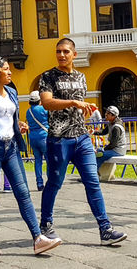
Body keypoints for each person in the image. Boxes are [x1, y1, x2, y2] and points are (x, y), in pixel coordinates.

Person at [0, 56, 62, 256]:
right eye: (6, 69)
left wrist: (19, 125)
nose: (10, 72)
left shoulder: (11, 92)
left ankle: (38, 239)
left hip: (10, 148)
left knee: (23, 193)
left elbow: (8, 117)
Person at [39, 38, 127, 246]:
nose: (61, 55)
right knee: (54, 183)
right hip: (59, 139)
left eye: (66, 51)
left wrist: (86, 109)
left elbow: (78, 109)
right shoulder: (48, 76)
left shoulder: (81, 77)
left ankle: (105, 229)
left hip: (82, 138)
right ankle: (45, 225)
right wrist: (74, 102)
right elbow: (47, 103)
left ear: (74, 54)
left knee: (93, 182)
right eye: (58, 51)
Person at [26, 90, 48, 191]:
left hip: (33, 137)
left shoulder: (28, 111)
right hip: (44, 136)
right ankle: (50, 182)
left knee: (37, 161)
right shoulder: (43, 109)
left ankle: (39, 183)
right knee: (49, 160)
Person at [91, 106, 127, 171]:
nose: (105, 115)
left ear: (113, 115)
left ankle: (92, 176)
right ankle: (94, 174)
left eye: (108, 113)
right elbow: (103, 131)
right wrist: (93, 131)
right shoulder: (111, 123)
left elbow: (113, 144)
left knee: (99, 155)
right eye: (106, 113)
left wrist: (103, 149)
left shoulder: (116, 127)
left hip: (118, 151)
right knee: (96, 152)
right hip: (114, 149)